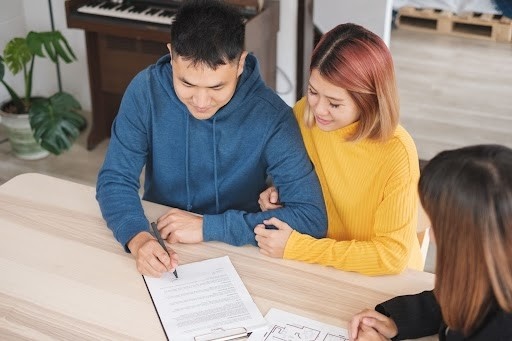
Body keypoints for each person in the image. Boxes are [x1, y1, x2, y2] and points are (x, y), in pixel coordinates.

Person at [96, 0, 327, 277]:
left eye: (217, 86)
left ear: (241, 63)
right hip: (162, 237)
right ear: (171, 56)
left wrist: (208, 226)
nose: (201, 101)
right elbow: (115, 178)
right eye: (187, 84)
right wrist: (138, 237)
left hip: (242, 249)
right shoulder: (145, 91)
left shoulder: (273, 116)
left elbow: (311, 217)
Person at [255, 23, 423, 275]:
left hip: (380, 277)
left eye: (334, 103)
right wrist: (282, 192)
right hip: (323, 265)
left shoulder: (397, 152)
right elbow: (309, 180)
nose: (319, 109)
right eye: (313, 91)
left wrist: (299, 247)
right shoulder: (305, 114)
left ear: (369, 101)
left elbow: (390, 256)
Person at [349, 144, 512, 340]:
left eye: (436, 222)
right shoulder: (490, 267)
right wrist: (400, 320)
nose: (431, 234)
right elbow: (458, 296)